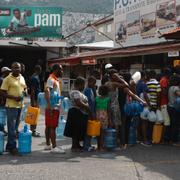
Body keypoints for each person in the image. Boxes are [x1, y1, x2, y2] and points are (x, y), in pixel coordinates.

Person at [0, 62, 26, 155]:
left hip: (20, 106)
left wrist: (25, 92)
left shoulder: (22, 77)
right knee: (11, 128)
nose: (17, 69)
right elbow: (2, 92)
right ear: (11, 69)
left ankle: (9, 146)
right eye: (15, 68)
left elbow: (24, 88)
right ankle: (13, 147)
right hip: (11, 106)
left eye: (18, 68)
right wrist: (13, 97)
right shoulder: (7, 79)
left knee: (15, 128)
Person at [64, 77, 90, 152]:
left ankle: (77, 145)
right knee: (76, 130)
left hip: (79, 113)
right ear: (80, 84)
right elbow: (78, 102)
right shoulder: (75, 92)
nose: (84, 87)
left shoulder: (78, 92)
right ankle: (74, 146)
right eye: (83, 85)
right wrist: (87, 107)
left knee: (78, 129)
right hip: (76, 113)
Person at [44, 64, 65, 153]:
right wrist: (49, 105)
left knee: (49, 126)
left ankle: (48, 145)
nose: (62, 71)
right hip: (53, 107)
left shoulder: (54, 79)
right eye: (61, 69)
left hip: (52, 106)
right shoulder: (51, 79)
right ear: (56, 70)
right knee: (52, 126)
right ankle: (54, 147)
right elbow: (47, 90)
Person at [136, 71, 151, 147]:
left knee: (139, 122)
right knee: (144, 123)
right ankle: (144, 140)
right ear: (144, 76)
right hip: (143, 105)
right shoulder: (143, 84)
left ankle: (139, 138)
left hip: (137, 105)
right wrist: (149, 104)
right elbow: (145, 94)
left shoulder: (137, 83)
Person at [146, 70, 161, 143]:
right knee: (154, 122)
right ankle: (153, 138)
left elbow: (146, 95)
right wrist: (158, 105)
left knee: (149, 122)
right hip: (155, 105)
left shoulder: (147, 83)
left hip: (149, 105)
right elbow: (158, 95)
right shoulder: (157, 83)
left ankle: (149, 138)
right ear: (155, 75)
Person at [96, 85, 112, 151]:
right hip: (104, 116)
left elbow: (95, 108)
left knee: (98, 132)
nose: (98, 91)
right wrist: (110, 119)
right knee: (103, 132)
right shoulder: (108, 99)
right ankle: (101, 147)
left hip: (97, 115)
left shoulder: (96, 98)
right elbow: (109, 110)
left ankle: (98, 146)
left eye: (99, 90)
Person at [83, 76, 96, 151]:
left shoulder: (91, 89)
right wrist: (91, 113)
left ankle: (88, 144)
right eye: (93, 83)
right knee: (88, 130)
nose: (94, 84)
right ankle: (87, 145)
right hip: (89, 112)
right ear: (89, 82)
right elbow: (89, 103)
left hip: (91, 112)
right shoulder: (87, 90)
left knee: (90, 129)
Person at [30, 65, 42, 137]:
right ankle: (33, 131)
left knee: (35, 115)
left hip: (37, 98)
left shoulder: (35, 76)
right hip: (35, 99)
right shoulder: (34, 78)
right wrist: (33, 101)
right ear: (38, 70)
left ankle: (33, 130)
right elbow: (33, 90)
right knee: (34, 115)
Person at [167, 75, 180, 145]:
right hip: (174, 108)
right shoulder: (176, 88)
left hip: (169, 106)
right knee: (175, 125)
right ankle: (174, 141)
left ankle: (170, 140)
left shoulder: (170, 87)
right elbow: (178, 94)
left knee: (172, 124)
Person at [160, 68, 171, 143]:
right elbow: (164, 92)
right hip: (164, 103)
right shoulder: (164, 80)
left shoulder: (162, 79)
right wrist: (169, 87)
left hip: (164, 103)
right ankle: (164, 139)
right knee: (166, 122)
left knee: (165, 121)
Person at [0, 67, 11, 135]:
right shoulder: (2, 80)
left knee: (2, 115)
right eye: (8, 71)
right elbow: (1, 91)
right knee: (2, 116)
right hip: (2, 101)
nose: (9, 72)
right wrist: (1, 100)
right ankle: (2, 130)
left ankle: (2, 129)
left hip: (3, 100)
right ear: (4, 72)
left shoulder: (3, 79)